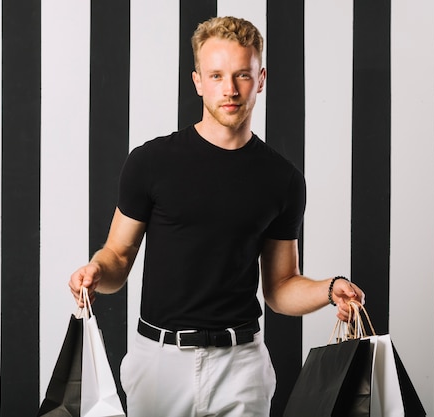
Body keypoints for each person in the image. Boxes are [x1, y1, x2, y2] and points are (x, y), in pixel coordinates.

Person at [69, 16, 365, 417]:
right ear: (198, 82)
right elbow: (118, 257)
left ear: (260, 78)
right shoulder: (150, 162)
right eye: (217, 75)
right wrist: (95, 272)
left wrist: (330, 289)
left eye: (242, 75)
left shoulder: (283, 180)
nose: (230, 89)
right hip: (158, 361)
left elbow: (279, 288)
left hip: (241, 365)